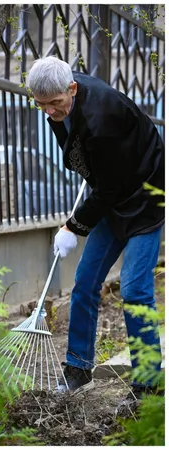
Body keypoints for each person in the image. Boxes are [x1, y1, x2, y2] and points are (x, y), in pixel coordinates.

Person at [28, 56, 164, 394]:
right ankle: (78, 367)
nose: (49, 111)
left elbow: (108, 188)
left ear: (72, 88)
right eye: (41, 105)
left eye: (54, 103)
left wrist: (73, 226)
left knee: (135, 290)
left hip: (147, 201)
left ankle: (148, 383)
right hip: (113, 200)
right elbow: (101, 178)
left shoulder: (103, 119)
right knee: (85, 282)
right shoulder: (60, 93)